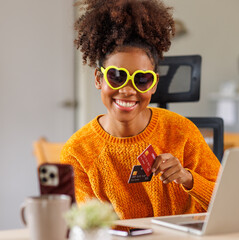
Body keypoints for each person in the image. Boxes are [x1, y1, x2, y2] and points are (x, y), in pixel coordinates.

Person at [61, 0, 221, 220]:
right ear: (98, 79)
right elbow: (88, 226)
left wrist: (188, 178)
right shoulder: (77, 153)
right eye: (116, 77)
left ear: (154, 84)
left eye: (142, 79)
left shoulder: (182, 132)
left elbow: (227, 204)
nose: (127, 90)